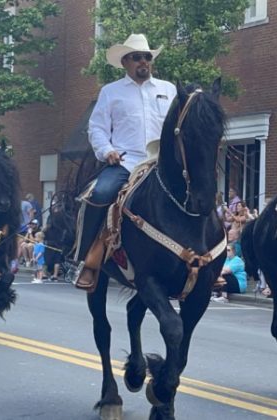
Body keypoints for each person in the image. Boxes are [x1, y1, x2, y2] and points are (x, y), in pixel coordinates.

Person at [73, 33, 176, 291]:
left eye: (147, 57)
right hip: (126, 164)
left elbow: (177, 127)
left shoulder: (168, 89)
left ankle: (207, 260)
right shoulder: (111, 92)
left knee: (197, 195)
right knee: (99, 194)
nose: (143, 62)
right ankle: (87, 260)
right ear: (126, 62)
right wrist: (107, 150)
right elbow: (96, 128)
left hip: (161, 164)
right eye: (137, 57)